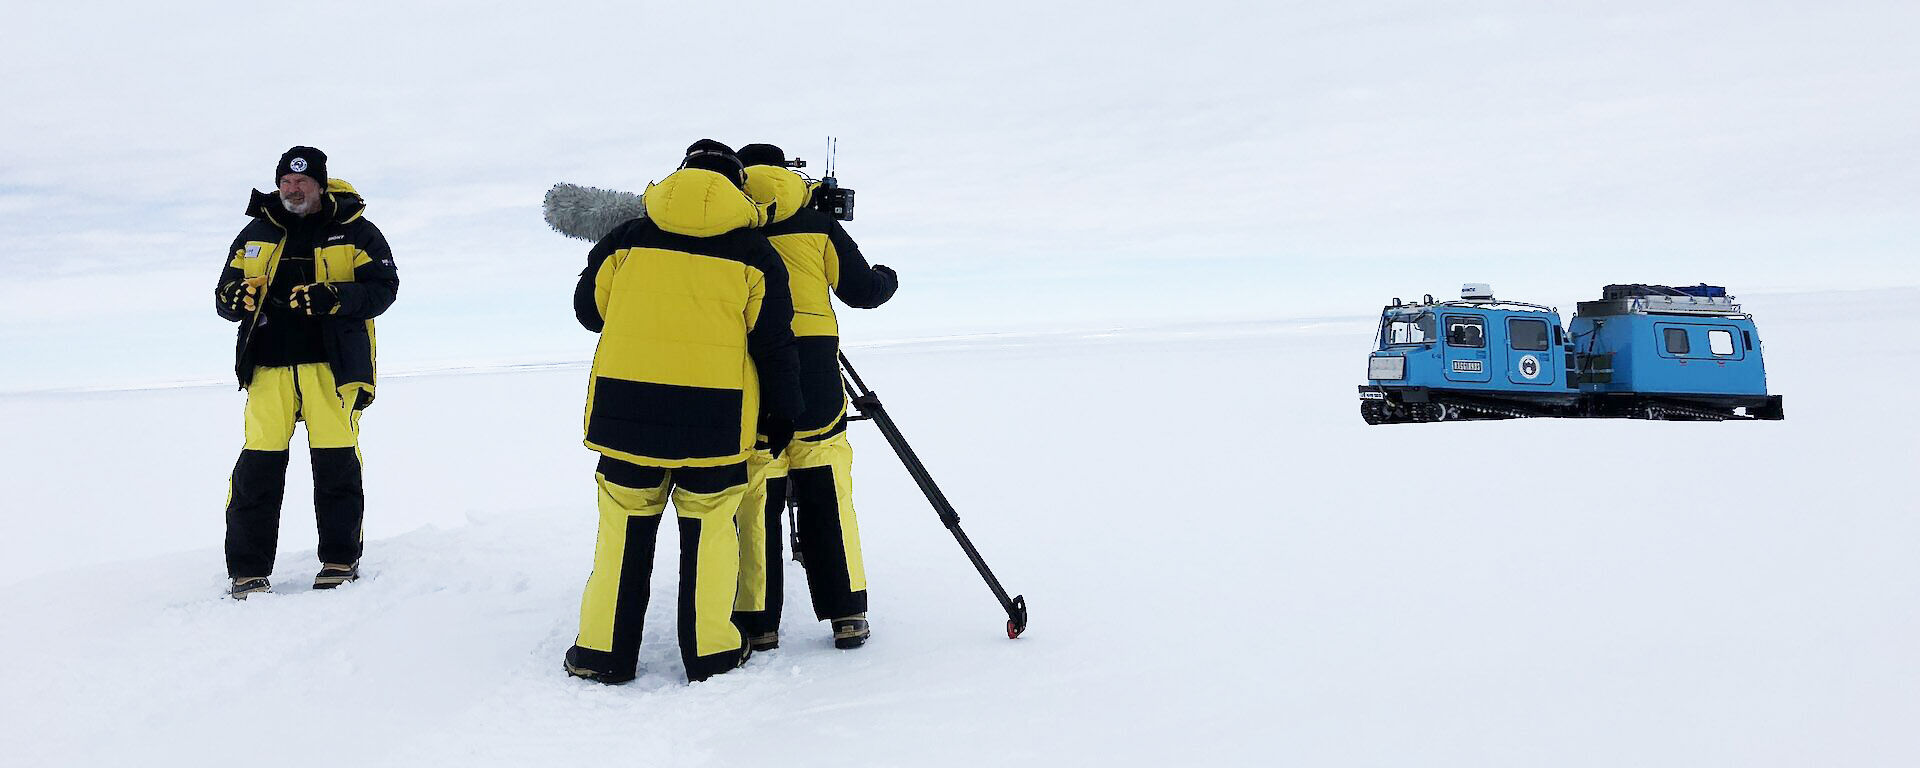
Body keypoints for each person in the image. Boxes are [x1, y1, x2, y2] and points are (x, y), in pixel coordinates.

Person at [563, 140, 805, 684]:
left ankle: (602, 653)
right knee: (711, 534)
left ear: (680, 174)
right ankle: (711, 653)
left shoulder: (625, 238)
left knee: (622, 534)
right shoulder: (755, 254)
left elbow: (587, 312)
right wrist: (782, 416)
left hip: (626, 412)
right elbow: (774, 346)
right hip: (716, 421)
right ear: (737, 185)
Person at [729, 143, 897, 651]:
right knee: (827, 489)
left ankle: (758, 622)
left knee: (758, 495)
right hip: (818, 375)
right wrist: (887, 277)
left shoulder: (731, 227)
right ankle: (848, 614)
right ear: (787, 173)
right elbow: (862, 290)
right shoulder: (817, 223)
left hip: (754, 371)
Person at [214, 146, 399, 599]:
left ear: (320, 184)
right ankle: (248, 570)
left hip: (331, 369)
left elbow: (384, 289)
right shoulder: (255, 232)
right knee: (257, 466)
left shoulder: (356, 231)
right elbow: (223, 296)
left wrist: (334, 296)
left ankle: (339, 559)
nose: (292, 189)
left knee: (335, 464)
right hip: (267, 369)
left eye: (301, 182)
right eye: (285, 182)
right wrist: (236, 298)